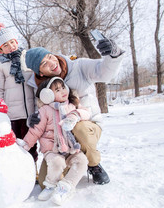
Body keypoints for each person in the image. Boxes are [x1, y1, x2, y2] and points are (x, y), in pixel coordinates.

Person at [25, 38, 125, 186]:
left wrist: (113, 55)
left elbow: (104, 72)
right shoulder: (39, 87)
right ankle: (71, 165)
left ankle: (93, 164)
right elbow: (39, 113)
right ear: (39, 72)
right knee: (44, 182)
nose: (52, 63)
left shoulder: (79, 66)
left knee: (79, 129)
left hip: (86, 125)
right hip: (59, 138)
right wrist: (32, 120)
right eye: (44, 63)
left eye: (50, 57)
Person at [17, 77, 90, 205]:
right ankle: (50, 186)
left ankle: (65, 187)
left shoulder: (72, 105)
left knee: (82, 161)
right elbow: (36, 130)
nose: (63, 91)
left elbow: (86, 112)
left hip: (71, 148)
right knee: (57, 163)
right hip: (52, 149)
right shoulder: (44, 110)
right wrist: (27, 144)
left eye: (63, 87)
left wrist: (75, 115)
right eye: (57, 89)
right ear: (48, 95)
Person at [0, 23, 38, 162]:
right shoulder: (0, 65)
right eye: (6, 45)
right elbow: (0, 89)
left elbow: (35, 82)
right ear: (0, 49)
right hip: (12, 113)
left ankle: (32, 169)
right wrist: (1, 111)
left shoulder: (27, 57)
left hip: (29, 110)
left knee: (30, 143)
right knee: (15, 143)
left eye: (12, 42)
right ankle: (18, 170)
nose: (11, 46)